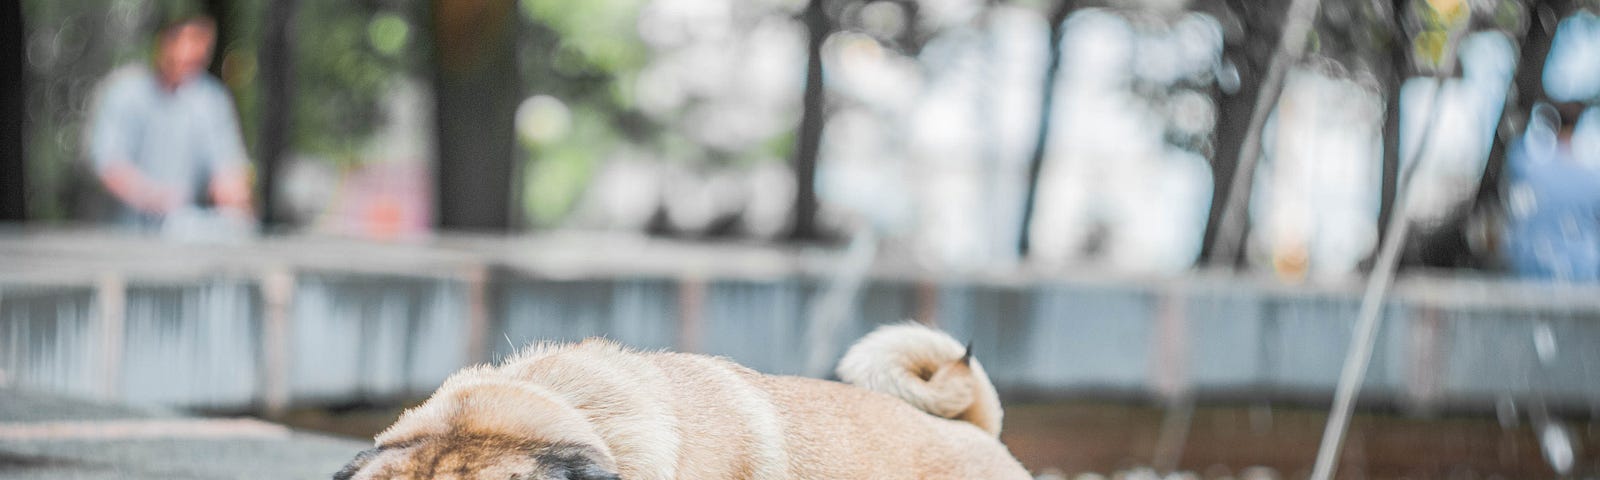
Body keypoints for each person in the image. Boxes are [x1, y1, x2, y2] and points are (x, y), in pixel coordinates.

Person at [86, 13, 251, 231]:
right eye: (188, 40)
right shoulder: (124, 93)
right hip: (122, 236)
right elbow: (107, 164)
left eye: (203, 44)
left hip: (180, 240)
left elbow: (228, 170)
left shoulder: (211, 100)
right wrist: (155, 198)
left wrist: (236, 199)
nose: (196, 52)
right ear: (163, 42)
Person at [1503, 101, 1600, 282]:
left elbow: (1515, 157)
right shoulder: (1593, 177)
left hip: (1533, 268)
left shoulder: (1529, 166)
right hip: (1582, 274)